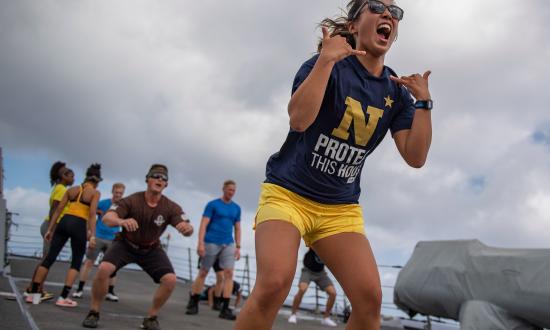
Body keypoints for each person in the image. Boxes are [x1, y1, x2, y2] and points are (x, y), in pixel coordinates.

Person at [235, 1, 433, 329]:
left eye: (394, 13)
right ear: (353, 27)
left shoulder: (395, 93)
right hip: (288, 194)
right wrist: (326, 60)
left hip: (339, 209)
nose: (388, 15)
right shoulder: (328, 66)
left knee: (369, 300)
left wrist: (424, 103)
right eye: (376, 7)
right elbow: (299, 121)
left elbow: (415, 157)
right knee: (273, 284)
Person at [82, 164, 194, 330]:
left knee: (170, 280)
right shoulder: (131, 200)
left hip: (151, 248)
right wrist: (121, 221)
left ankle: (151, 317)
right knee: (104, 269)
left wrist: (187, 230)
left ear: (166, 184)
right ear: (147, 179)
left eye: (163, 178)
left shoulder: (171, 207)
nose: (159, 180)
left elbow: (187, 227)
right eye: (156, 176)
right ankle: (94, 312)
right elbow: (107, 218)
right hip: (126, 244)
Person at [26, 164, 102, 308]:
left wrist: (50, 229)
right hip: (79, 224)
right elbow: (92, 215)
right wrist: (92, 235)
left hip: (64, 221)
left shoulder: (72, 190)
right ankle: (63, 297)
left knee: (49, 258)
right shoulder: (95, 193)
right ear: (97, 182)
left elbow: (58, 209)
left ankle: (33, 294)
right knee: (76, 261)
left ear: (85, 177)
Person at [186, 180, 241, 320]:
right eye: (229, 190)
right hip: (211, 242)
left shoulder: (236, 208)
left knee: (228, 274)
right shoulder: (213, 205)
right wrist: (200, 243)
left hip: (228, 243)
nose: (231, 192)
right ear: (223, 189)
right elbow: (203, 224)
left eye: (233, 190)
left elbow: (237, 228)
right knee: (203, 272)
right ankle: (193, 303)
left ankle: (225, 308)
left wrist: (238, 246)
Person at [24, 161, 74, 302]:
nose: (73, 179)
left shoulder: (59, 188)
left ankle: (35, 288)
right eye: (70, 175)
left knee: (46, 260)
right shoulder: (62, 189)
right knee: (46, 261)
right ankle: (34, 289)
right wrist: (52, 229)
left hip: (51, 225)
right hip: (51, 226)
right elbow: (55, 209)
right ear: (63, 176)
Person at [73, 182, 126, 301]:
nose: (118, 195)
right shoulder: (104, 203)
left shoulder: (123, 206)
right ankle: (79, 289)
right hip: (98, 236)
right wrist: (97, 213)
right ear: (112, 191)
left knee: (113, 266)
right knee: (89, 262)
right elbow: (91, 211)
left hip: (113, 239)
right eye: (116, 192)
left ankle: (110, 292)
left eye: (121, 193)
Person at [288, 249, 338, 327]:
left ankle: (326, 318)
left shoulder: (330, 249)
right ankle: (293, 315)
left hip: (321, 273)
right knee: (302, 289)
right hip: (308, 271)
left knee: (333, 293)